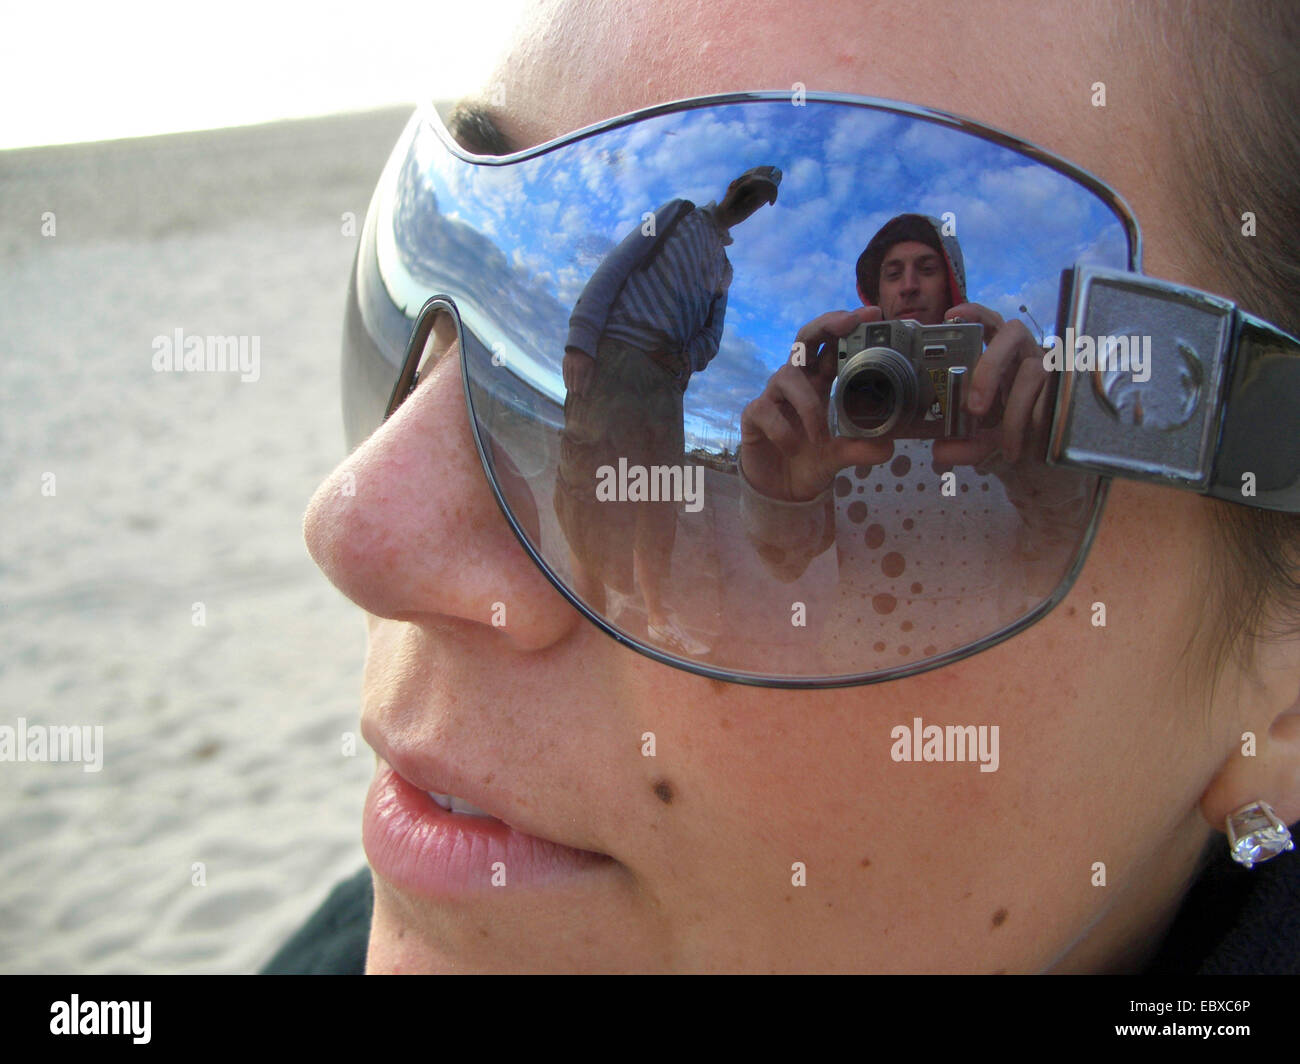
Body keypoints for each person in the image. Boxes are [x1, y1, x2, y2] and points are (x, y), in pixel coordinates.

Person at [267, 0, 1300, 974]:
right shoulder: (734, 328)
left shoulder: (1008, 428)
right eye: (429, 219)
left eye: (941, 283)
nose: (358, 526)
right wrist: (780, 492)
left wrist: (1030, 472)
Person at [555, 168, 780, 655]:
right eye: (747, 190)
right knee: (590, 481)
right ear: (731, 186)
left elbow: (713, 338)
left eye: (759, 200)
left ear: (760, 208)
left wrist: (685, 360)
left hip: (663, 387)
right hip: (614, 360)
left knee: (658, 501)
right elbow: (615, 267)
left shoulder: (724, 269)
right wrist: (581, 340)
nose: (748, 202)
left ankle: (658, 616)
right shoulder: (677, 215)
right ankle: (584, 610)